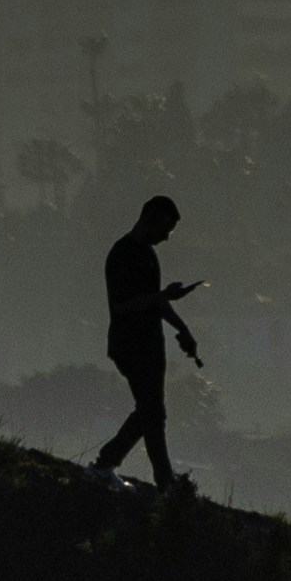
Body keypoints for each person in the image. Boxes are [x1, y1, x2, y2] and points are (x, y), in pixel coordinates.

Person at [96, 194, 205, 496]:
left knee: (150, 413)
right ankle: (164, 483)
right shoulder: (122, 253)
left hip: (150, 346)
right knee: (152, 413)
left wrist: (183, 329)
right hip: (130, 346)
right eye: (165, 229)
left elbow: (155, 302)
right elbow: (121, 307)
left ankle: (106, 465)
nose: (167, 237)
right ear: (150, 219)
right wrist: (162, 298)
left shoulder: (147, 254)